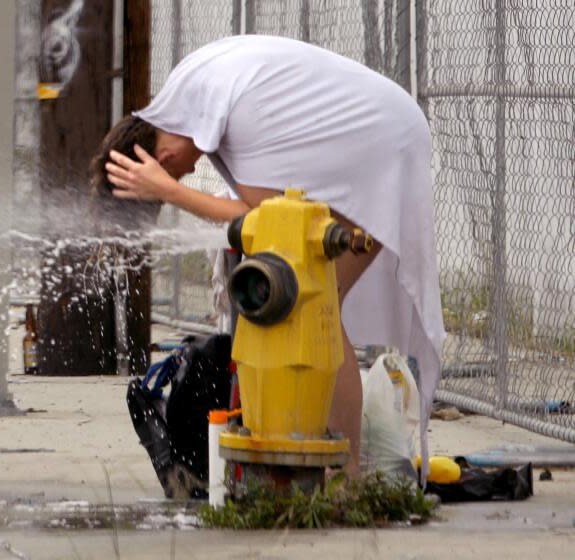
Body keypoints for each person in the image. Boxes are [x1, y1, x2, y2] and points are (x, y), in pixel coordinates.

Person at [91, 35, 446, 476]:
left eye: (175, 173)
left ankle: (346, 476)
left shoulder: (235, 114)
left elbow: (265, 218)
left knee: (318, 311)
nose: (185, 174)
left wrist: (172, 191)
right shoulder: (195, 99)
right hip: (373, 136)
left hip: (382, 144)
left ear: (161, 157)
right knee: (314, 306)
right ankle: (319, 464)